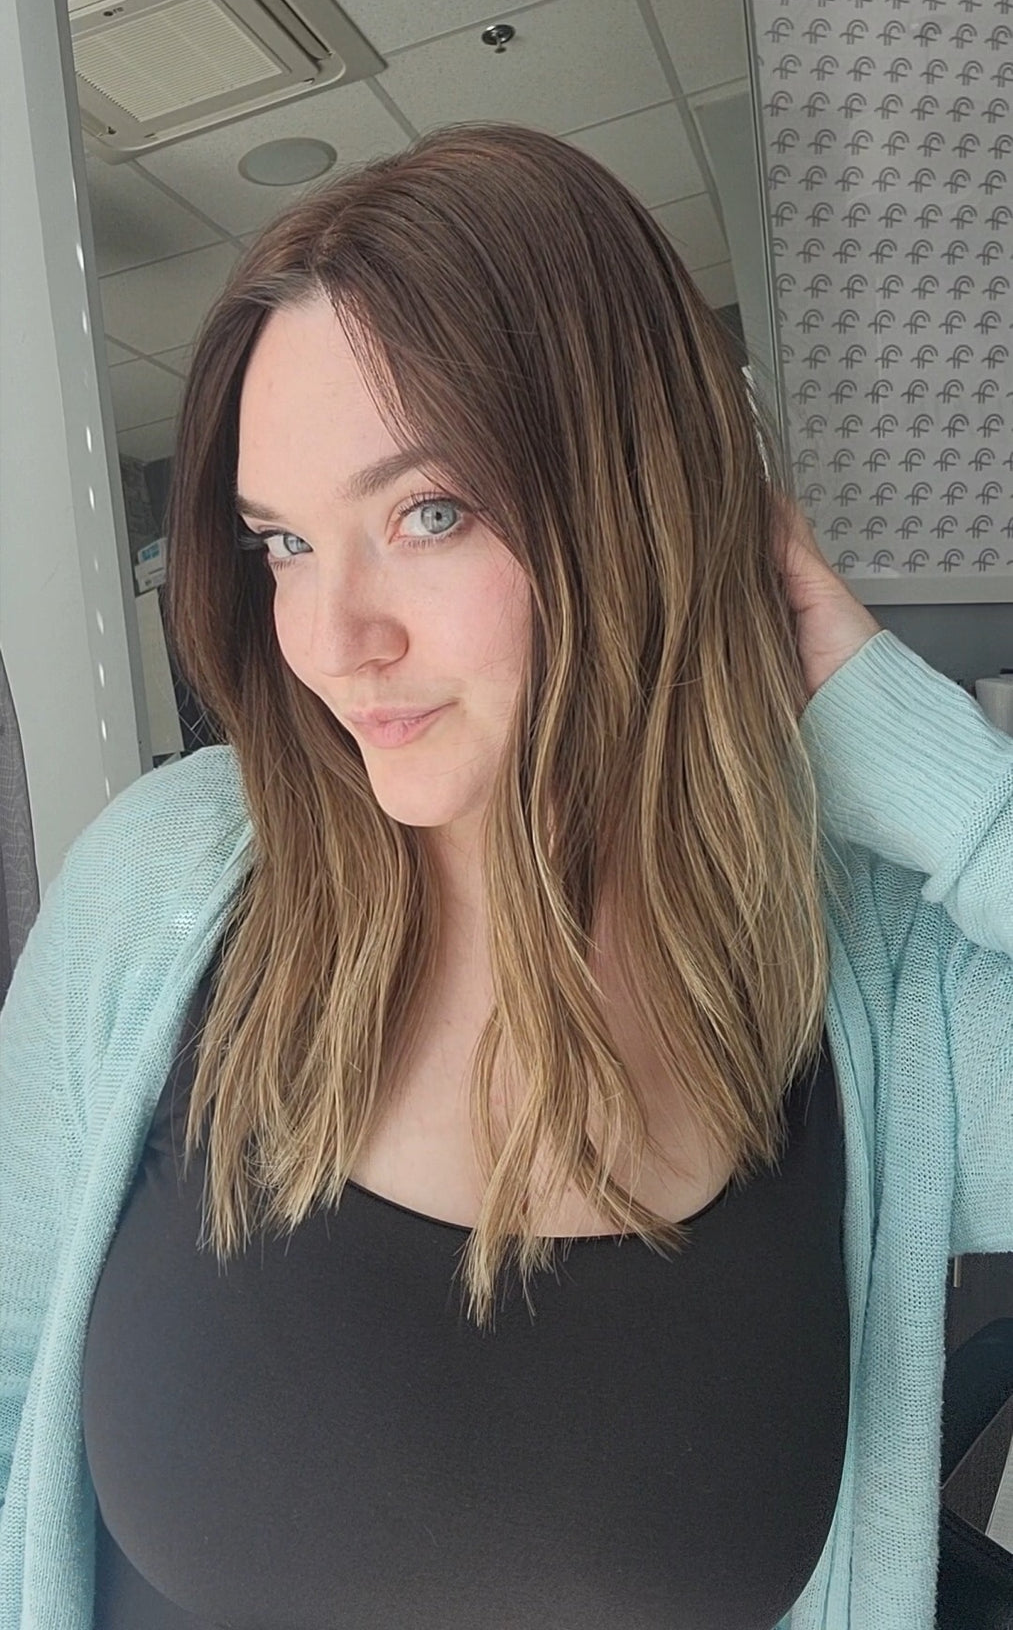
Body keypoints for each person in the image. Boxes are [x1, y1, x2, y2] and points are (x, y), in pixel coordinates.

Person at [3, 120, 1013, 1630]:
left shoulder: (861, 973)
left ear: (632, 511)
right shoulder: (165, 884)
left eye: (427, 514)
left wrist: (909, 749)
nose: (333, 640)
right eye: (283, 543)